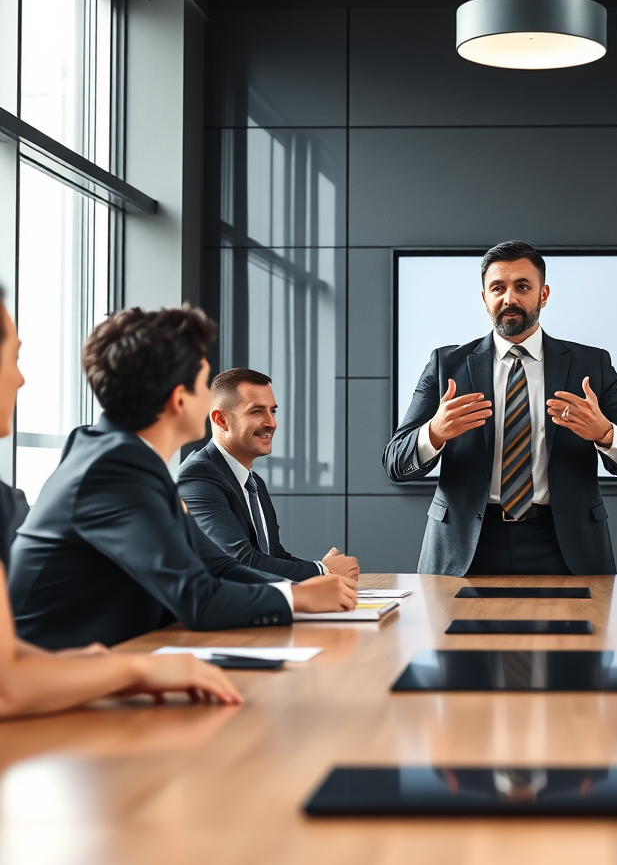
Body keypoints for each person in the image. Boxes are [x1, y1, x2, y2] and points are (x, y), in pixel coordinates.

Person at [9, 305, 357, 650]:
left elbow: (220, 567)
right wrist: (296, 599)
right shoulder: (111, 470)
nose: (210, 397)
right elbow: (196, 598)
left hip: (113, 659)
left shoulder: (127, 461)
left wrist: (300, 592)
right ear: (179, 399)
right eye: (204, 383)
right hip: (54, 683)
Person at [0, 289, 241, 716]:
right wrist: (134, 670)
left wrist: (81, 666)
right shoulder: (116, 466)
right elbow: (6, 688)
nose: (21, 378)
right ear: (179, 397)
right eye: (13, 357)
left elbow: (9, 666)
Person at [383, 240, 617, 576]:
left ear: (543, 295)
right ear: (484, 298)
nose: (509, 298)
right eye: (497, 288)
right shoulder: (446, 365)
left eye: (522, 286)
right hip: (466, 545)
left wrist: (604, 433)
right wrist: (434, 434)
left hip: (564, 545)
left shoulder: (591, 365)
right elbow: (396, 462)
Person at [177, 367, 359, 582]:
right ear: (221, 420)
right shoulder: (198, 476)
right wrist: (322, 571)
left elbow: (273, 556)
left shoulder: (253, 483)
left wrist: (322, 573)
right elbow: (240, 561)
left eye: (272, 411)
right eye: (256, 411)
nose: (271, 423)